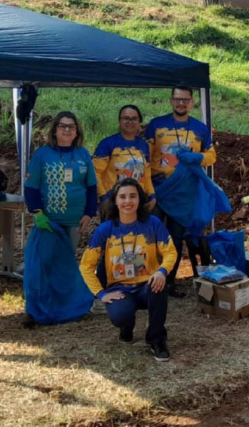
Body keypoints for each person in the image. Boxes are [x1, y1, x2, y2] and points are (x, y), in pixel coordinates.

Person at [79, 178, 177, 361]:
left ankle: (157, 339)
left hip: (147, 284)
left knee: (159, 286)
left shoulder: (153, 223)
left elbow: (170, 251)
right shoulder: (105, 229)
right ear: (115, 201)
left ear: (140, 199)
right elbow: (86, 265)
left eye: (133, 196)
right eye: (122, 197)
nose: (127, 201)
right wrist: (100, 294)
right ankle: (127, 327)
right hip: (120, 289)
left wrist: (162, 271)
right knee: (120, 316)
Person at [145, 84, 217, 297]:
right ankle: (146, 278)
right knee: (153, 235)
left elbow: (212, 156)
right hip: (158, 190)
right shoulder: (156, 125)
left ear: (192, 102)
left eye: (185, 100)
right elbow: (145, 156)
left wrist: (198, 158)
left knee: (175, 238)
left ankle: (168, 282)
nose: (181, 103)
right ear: (171, 100)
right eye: (177, 99)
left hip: (185, 193)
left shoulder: (200, 129)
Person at [24, 111, 98, 247]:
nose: (67, 130)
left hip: (76, 221)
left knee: (67, 261)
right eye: (62, 126)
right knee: (48, 261)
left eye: (71, 126)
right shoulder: (42, 154)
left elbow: (91, 187)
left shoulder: (83, 153)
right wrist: (37, 213)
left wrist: (89, 214)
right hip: (48, 221)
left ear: (77, 131)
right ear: (54, 130)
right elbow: (31, 187)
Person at [93, 105, 156, 216]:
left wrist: (152, 195)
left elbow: (146, 174)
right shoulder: (107, 144)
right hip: (113, 202)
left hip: (137, 202)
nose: (130, 122)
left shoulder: (143, 145)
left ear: (139, 122)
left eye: (134, 119)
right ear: (119, 121)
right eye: (126, 118)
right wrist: (103, 198)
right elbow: (94, 172)